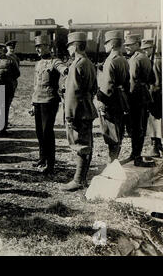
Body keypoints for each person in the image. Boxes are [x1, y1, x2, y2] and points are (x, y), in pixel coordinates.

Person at [61, 32, 98, 191]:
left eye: (70, 46)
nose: (68, 49)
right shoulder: (88, 62)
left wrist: (69, 114)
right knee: (86, 142)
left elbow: (72, 92)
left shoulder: (77, 64)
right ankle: (81, 179)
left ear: (75, 46)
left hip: (78, 110)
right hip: (87, 108)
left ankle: (78, 180)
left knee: (81, 144)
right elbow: (94, 88)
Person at [26, 35, 68, 174]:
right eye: (37, 47)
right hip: (38, 100)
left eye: (41, 46)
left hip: (49, 101)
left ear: (48, 47)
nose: (38, 49)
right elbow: (36, 85)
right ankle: (42, 158)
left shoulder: (55, 61)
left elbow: (65, 71)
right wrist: (33, 103)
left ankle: (50, 164)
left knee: (47, 132)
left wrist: (64, 83)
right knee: (39, 132)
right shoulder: (38, 63)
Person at [96, 30, 130, 163]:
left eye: (106, 43)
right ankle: (114, 159)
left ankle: (112, 162)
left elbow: (108, 85)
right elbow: (125, 80)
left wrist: (101, 100)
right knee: (118, 130)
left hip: (110, 100)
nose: (104, 46)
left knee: (111, 132)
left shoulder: (110, 61)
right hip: (121, 99)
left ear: (111, 44)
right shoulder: (123, 59)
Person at [125, 34, 155, 167]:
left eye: (129, 45)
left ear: (137, 44)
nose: (126, 47)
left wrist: (127, 98)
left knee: (136, 127)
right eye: (125, 45)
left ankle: (136, 156)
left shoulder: (135, 59)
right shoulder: (145, 57)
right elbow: (152, 79)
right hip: (144, 96)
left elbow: (132, 80)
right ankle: (136, 154)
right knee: (140, 126)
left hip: (135, 97)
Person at [142, 38, 162, 157]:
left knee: (155, 121)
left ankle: (155, 146)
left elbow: (156, 82)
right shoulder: (154, 60)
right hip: (157, 95)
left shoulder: (155, 61)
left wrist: (150, 94)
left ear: (151, 49)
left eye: (146, 49)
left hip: (155, 95)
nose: (145, 52)